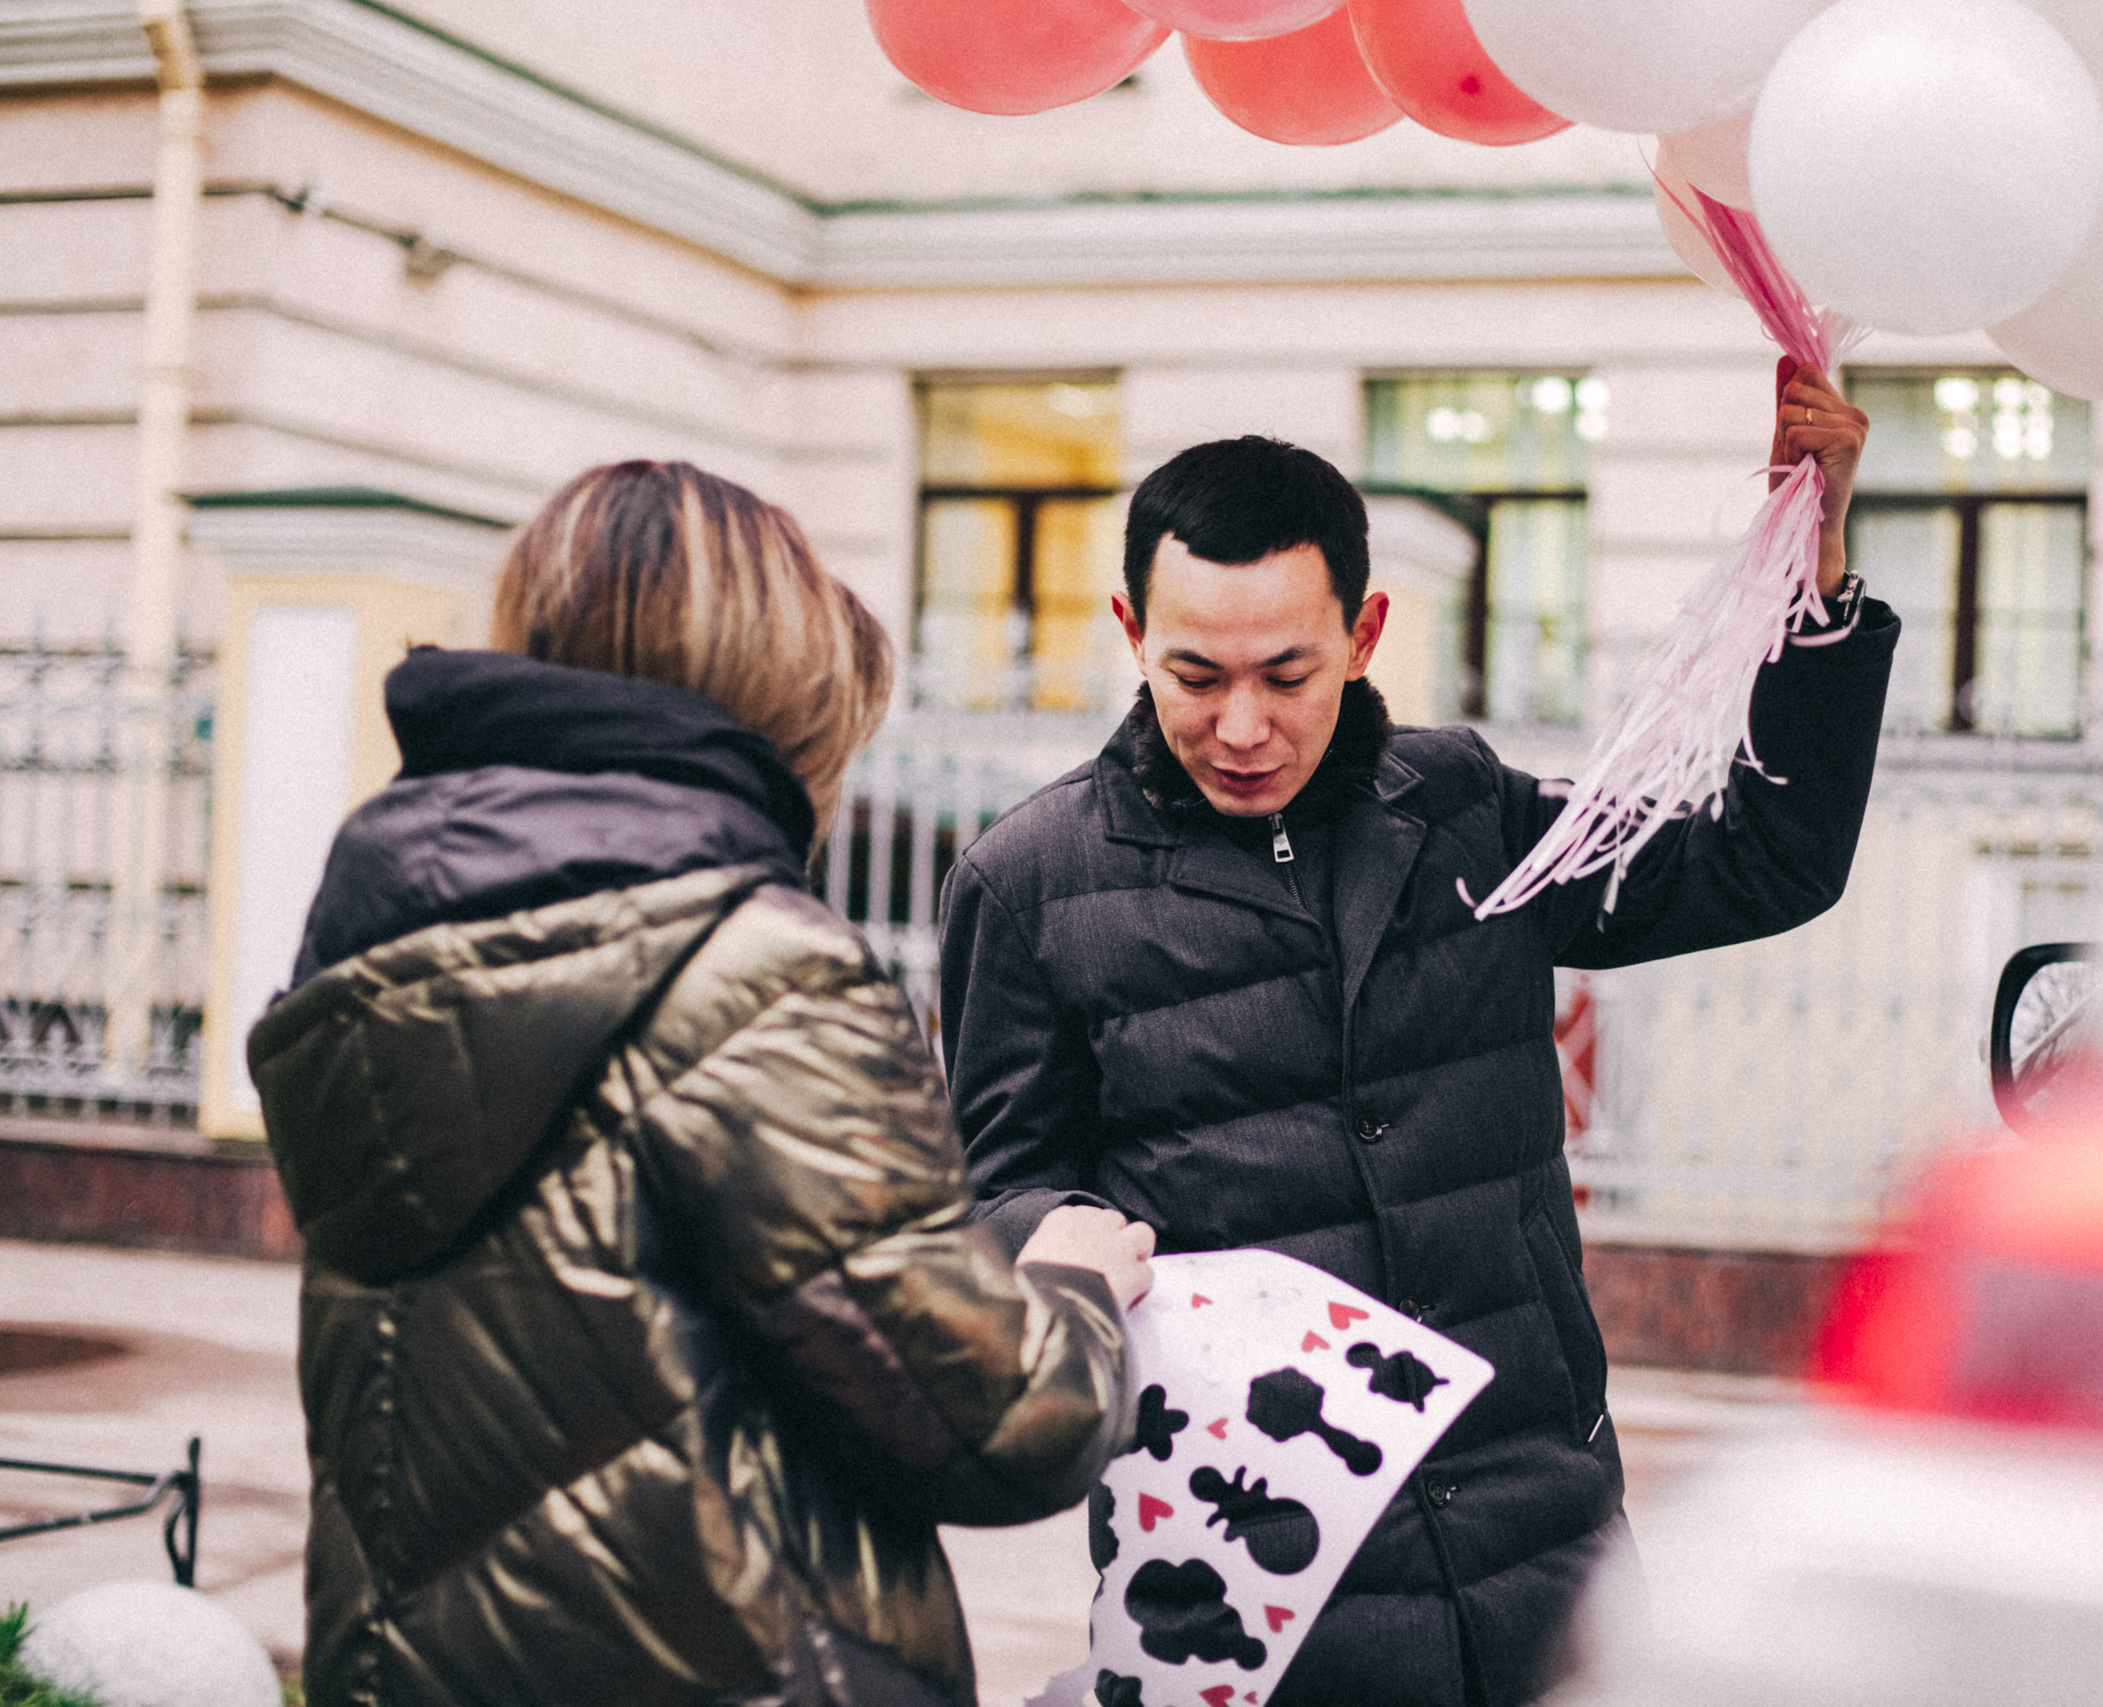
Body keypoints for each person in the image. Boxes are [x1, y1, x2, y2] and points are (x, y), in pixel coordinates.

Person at [938, 363, 1896, 1706]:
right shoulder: (1027, 881)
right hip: (1255, 1582)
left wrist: (1814, 577)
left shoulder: (1464, 809)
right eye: (1194, 675)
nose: (1242, 726)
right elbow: (997, 1187)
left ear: (1365, 631)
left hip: (1544, 1547)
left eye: (1287, 673)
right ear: (1129, 631)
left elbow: (1762, 861)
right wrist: (1062, 1237)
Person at [248, 461, 1154, 1707]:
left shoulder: (381, 942)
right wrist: (1075, 1285)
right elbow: (995, 1424)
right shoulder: (755, 973)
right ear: (783, 695)